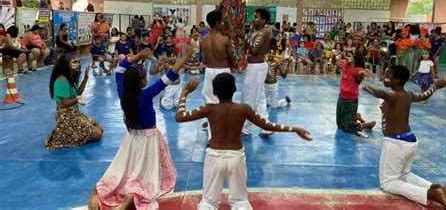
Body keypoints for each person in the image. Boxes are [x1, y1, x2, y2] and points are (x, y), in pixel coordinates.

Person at [175, 73, 312, 210]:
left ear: (214, 91)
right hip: (236, 157)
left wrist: (185, 92)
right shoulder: (243, 109)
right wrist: (294, 129)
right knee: (240, 201)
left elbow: (180, 116)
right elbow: (267, 126)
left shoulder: (209, 109)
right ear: (235, 89)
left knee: (209, 202)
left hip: (214, 157)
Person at [89, 47, 194, 209]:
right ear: (142, 81)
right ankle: (128, 200)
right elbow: (170, 75)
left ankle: (98, 196)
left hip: (131, 139)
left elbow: (119, 69)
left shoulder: (122, 92)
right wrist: (186, 55)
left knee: (121, 172)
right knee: (143, 178)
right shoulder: (145, 95)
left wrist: (138, 56)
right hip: (148, 141)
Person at [362, 66, 446, 209]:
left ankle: (433, 194)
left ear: (397, 80)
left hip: (396, 143)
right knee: (403, 174)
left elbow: (382, 94)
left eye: (387, 76)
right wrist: (435, 86)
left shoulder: (394, 95)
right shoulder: (408, 95)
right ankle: (437, 187)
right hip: (410, 141)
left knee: (388, 183)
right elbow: (424, 95)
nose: (384, 78)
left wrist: (367, 88)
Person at [45, 53, 103, 150]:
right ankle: (67, 134)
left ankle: (73, 133)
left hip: (74, 113)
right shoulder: (62, 81)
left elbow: (78, 93)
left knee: (100, 129)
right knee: (97, 135)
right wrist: (77, 99)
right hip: (66, 116)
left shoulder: (70, 77)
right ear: (66, 65)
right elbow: (65, 103)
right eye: (74, 62)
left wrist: (85, 79)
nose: (78, 64)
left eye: (78, 62)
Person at [241, 8, 272, 136]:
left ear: (263, 21)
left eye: (257, 17)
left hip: (256, 67)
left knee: (250, 97)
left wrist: (242, 36)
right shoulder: (257, 31)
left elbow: (254, 49)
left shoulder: (263, 32)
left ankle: (246, 128)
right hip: (256, 66)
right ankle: (266, 126)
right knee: (259, 98)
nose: (253, 19)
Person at [336, 51, 376, 137]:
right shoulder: (344, 65)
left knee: (348, 128)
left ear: (355, 58)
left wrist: (365, 72)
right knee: (340, 125)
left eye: (349, 56)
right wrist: (336, 55)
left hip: (351, 100)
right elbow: (335, 62)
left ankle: (367, 125)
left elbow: (360, 72)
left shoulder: (357, 70)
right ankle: (356, 116)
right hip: (341, 97)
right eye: (347, 55)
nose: (347, 57)